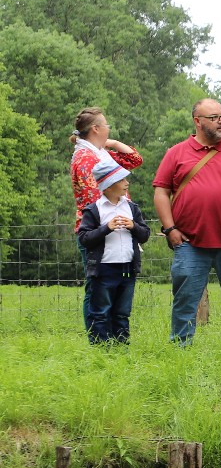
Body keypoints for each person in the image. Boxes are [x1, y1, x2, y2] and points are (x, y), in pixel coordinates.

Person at [153, 99, 221, 346]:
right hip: (189, 243)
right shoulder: (176, 153)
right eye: (214, 117)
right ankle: (180, 347)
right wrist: (170, 229)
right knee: (185, 300)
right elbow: (161, 192)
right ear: (198, 121)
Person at [70, 107, 144, 329]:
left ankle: (111, 337)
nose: (109, 129)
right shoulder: (85, 159)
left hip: (116, 230)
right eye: (106, 125)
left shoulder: (101, 154)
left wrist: (112, 143)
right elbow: (95, 200)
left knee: (114, 287)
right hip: (99, 232)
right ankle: (98, 339)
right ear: (96, 128)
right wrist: (117, 221)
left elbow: (134, 159)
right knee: (96, 289)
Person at [76, 162, 150, 344]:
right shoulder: (94, 210)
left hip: (127, 269)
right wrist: (106, 228)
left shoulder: (132, 208)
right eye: (122, 180)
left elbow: (145, 235)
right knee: (100, 311)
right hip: (103, 270)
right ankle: (101, 348)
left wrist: (133, 226)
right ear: (109, 185)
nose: (127, 183)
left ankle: (121, 347)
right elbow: (84, 238)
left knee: (122, 312)